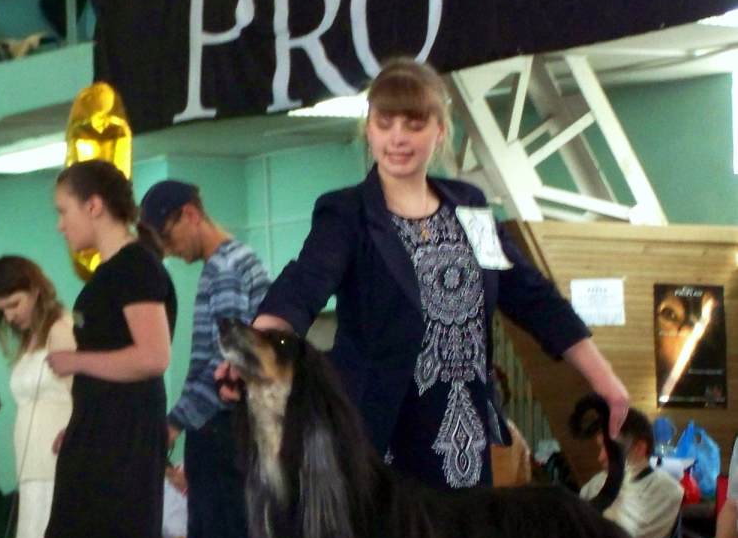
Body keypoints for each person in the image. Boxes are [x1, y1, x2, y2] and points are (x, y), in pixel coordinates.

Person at [244, 58, 629, 490]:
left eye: (413, 124)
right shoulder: (348, 213)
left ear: (440, 130)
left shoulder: (470, 207)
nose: (397, 138)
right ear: (369, 130)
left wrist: (605, 380)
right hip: (378, 438)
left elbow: (533, 297)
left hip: (464, 435)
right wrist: (254, 347)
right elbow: (302, 287)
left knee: (463, 536)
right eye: (385, 123)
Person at [31, 160, 176, 538]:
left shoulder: (134, 268)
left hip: (118, 439)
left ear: (94, 206)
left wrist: (76, 364)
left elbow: (153, 356)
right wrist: (81, 419)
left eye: (63, 211)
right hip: (113, 431)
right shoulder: (120, 272)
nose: (60, 224)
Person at [139, 179, 271, 538]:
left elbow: (224, 362)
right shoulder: (234, 262)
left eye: (168, 238)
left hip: (223, 428)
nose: (170, 252)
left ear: (191, 214)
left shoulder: (226, 269)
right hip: (229, 429)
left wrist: (173, 424)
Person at [0, 255, 75, 538]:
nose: (9, 316)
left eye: (14, 304)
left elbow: (84, 398)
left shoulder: (62, 330)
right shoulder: (29, 339)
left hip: (57, 467)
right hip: (31, 469)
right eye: (1, 309)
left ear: (36, 291)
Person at [579, 408, 682, 538]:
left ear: (639, 448)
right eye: (601, 448)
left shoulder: (666, 491)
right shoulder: (596, 483)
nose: (601, 458)